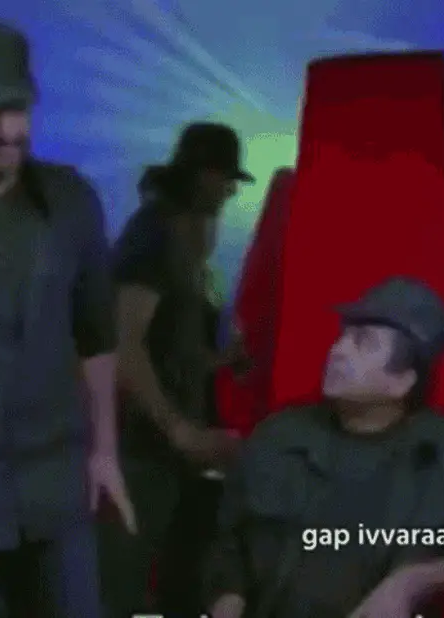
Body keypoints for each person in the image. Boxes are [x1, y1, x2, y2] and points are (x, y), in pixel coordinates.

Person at [204, 277, 444, 618]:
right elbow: (228, 550)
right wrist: (226, 604)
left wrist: (411, 583)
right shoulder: (279, 435)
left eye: (363, 343)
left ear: (402, 381)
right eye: (343, 336)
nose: (338, 350)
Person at [0, 21, 135, 618]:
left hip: (57, 484)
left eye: (18, 108)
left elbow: (97, 335)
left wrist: (105, 450)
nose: (10, 129)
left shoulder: (70, 200)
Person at [99, 122, 253, 617]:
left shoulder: (185, 240)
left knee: (177, 581)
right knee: (118, 587)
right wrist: (179, 429)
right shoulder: (153, 233)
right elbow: (123, 343)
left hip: (168, 454)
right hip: (139, 449)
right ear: (204, 175)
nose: (230, 192)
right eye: (226, 179)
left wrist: (219, 362)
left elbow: (167, 349)